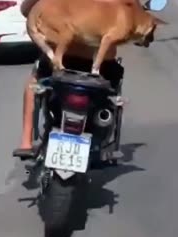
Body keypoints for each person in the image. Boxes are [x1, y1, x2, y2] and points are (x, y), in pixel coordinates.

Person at [13, 0, 130, 158]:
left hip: (63, 61)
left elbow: (26, 9)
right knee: (112, 94)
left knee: (34, 81)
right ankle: (106, 125)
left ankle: (26, 142)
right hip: (101, 65)